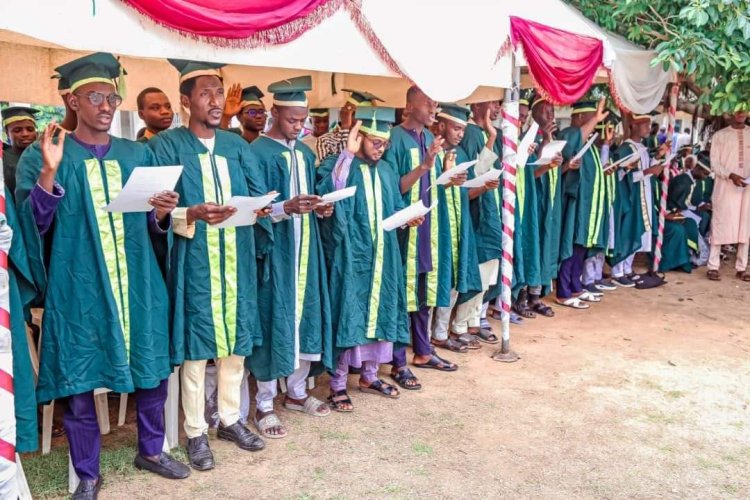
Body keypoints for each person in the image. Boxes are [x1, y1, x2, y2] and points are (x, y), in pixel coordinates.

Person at [16, 52, 189, 500]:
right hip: (81, 284)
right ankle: (87, 472)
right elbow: (31, 229)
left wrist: (160, 215)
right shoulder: (45, 155)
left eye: (113, 97)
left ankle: (151, 450)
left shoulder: (138, 153)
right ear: (73, 101)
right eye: (96, 97)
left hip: (138, 281)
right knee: (79, 379)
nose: (108, 106)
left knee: (151, 368)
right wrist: (49, 174)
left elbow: (153, 228)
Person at [149, 59, 268, 471]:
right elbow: (155, 209)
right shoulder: (165, 145)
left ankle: (231, 419)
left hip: (235, 257)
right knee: (198, 350)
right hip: (196, 260)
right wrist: (190, 214)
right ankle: (196, 431)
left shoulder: (237, 145)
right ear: (185, 101)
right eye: (205, 93)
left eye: (219, 92)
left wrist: (265, 208)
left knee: (235, 345)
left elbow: (256, 195)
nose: (216, 101)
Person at [247, 75, 334, 439]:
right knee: (274, 319)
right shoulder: (255, 152)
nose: (299, 127)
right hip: (276, 250)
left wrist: (320, 209)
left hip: (305, 248)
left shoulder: (306, 152)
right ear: (274, 113)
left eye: (304, 120)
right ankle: (265, 401)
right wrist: (285, 207)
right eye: (292, 120)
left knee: (305, 317)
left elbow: (309, 194)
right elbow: (253, 206)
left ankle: (297, 392)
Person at [317, 108, 416, 411]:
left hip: (382, 255)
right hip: (351, 255)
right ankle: (337, 385)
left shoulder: (386, 170)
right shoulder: (340, 164)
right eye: (374, 141)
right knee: (349, 314)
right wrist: (347, 155)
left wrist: (406, 220)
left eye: (384, 144)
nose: (379, 148)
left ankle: (370, 376)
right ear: (358, 138)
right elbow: (329, 196)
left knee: (381, 314)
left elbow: (394, 207)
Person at [383, 85, 458, 391]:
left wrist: (448, 177)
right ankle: (398, 361)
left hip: (429, 226)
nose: (433, 107)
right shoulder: (395, 139)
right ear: (410, 106)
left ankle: (424, 352)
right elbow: (395, 187)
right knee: (403, 293)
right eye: (427, 102)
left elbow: (431, 182)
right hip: (405, 229)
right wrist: (425, 165)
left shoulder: (430, 138)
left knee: (424, 290)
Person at [429, 103, 482, 353]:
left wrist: (482, 185)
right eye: (456, 128)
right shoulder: (430, 152)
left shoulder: (459, 154)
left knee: (451, 282)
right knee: (434, 283)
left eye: (462, 129)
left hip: (457, 226)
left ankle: (440, 333)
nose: (460, 134)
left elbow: (464, 194)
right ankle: (424, 337)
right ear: (441, 125)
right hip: (436, 229)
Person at [556, 98, 610, 309]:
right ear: (579, 117)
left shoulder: (591, 146)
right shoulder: (569, 134)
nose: (595, 124)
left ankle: (576, 286)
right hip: (575, 205)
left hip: (589, 207)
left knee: (581, 247)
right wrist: (595, 119)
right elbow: (569, 154)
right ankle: (563, 291)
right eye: (591, 119)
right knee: (571, 246)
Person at [458, 98, 504, 338]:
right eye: (492, 103)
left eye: (499, 103)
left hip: (489, 208)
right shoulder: (469, 133)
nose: (497, 108)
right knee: (478, 268)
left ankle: (477, 318)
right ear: (476, 105)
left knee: (489, 271)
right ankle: (463, 323)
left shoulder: (484, 132)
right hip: (477, 211)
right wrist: (492, 136)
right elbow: (474, 173)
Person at [610, 113, 668, 286]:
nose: (648, 129)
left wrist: (658, 157)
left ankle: (627, 268)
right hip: (630, 197)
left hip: (644, 195)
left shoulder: (642, 147)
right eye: (644, 125)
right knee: (627, 231)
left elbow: (646, 166)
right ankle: (617, 271)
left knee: (637, 231)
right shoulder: (625, 149)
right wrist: (648, 172)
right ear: (633, 126)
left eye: (649, 125)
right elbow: (621, 176)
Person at [510, 90, 549, 319]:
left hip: (525, 205)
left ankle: (522, 297)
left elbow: (532, 173)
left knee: (526, 250)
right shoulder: (505, 143)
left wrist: (547, 164)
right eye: (519, 115)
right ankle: (507, 302)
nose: (521, 120)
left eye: (524, 117)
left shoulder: (525, 143)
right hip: (510, 206)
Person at [706, 110, 750, 281]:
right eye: (736, 110)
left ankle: (742, 267)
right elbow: (714, 164)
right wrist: (730, 175)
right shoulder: (720, 136)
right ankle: (713, 266)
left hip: (747, 188)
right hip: (725, 187)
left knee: (745, 225)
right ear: (730, 113)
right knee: (720, 223)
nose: (740, 114)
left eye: (744, 110)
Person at [531, 97, 564, 300]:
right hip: (536, 203)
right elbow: (532, 171)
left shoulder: (555, 139)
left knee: (547, 248)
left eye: (552, 112)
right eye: (545, 112)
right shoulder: (530, 139)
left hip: (550, 204)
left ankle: (538, 294)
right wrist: (545, 139)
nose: (550, 116)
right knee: (535, 247)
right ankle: (527, 296)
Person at [582, 115, 619, 294]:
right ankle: (588, 279)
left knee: (601, 243)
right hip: (593, 206)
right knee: (592, 244)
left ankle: (596, 277)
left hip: (605, 204)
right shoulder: (591, 152)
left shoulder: (602, 153)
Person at [316, 89, 382, 161]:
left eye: (367, 117)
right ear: (345, 115)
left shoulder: (376, 142)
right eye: (354, 114)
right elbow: (335, 169)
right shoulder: (326, 140)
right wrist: (345, 128)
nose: (360, 120)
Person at [2, 106, 39, 197]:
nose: (25, 134)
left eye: (30, 129)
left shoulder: (45, 156)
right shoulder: (3, 158)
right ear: (7, 133)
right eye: (17, 130)